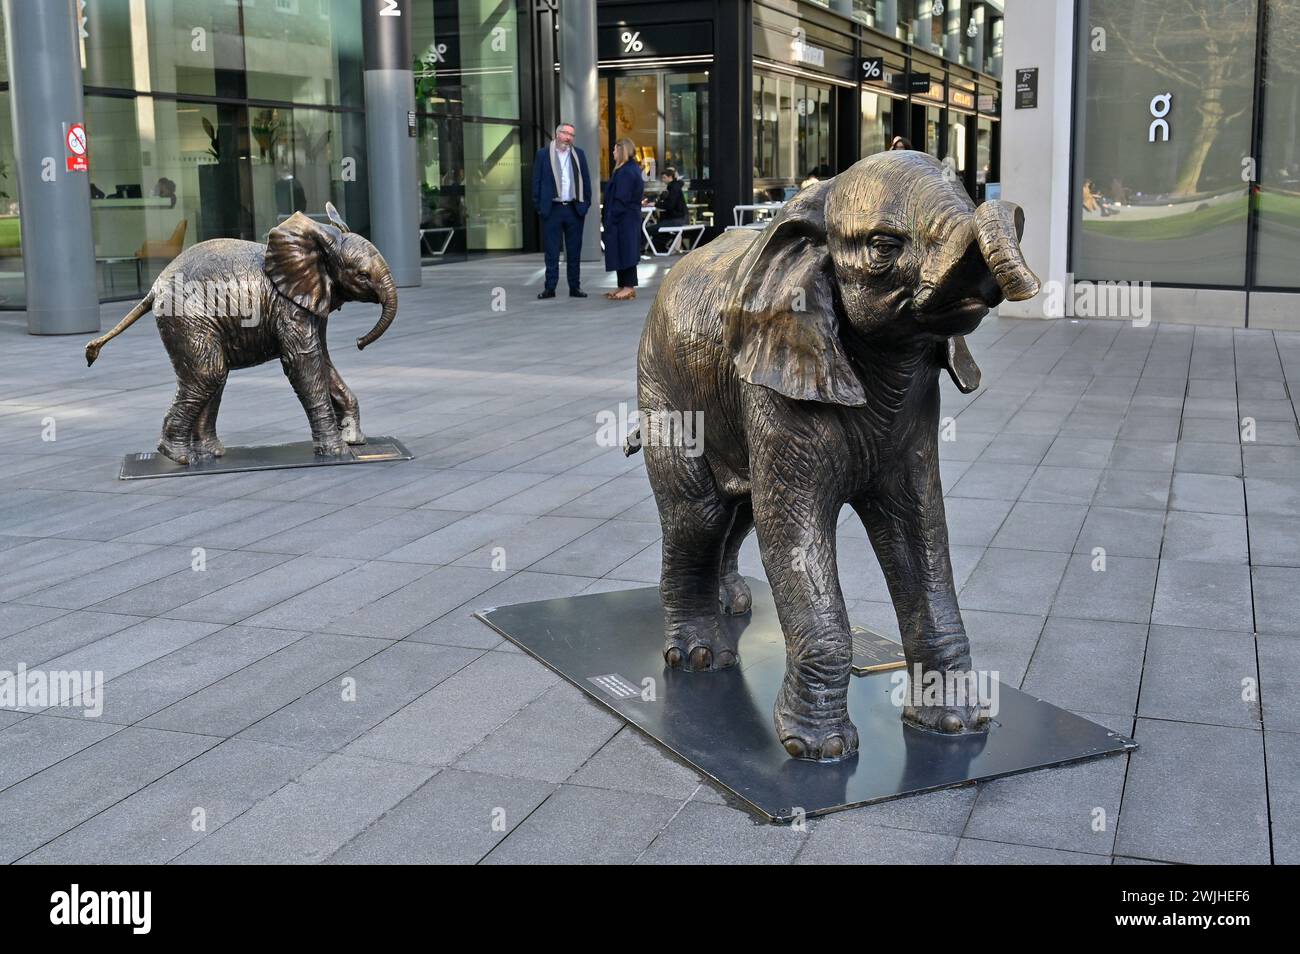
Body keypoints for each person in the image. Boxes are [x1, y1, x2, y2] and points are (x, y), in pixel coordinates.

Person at [531, 121, 592, 299]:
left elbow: (586, 181)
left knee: (574, 251)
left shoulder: (578, 154)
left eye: (572, 135)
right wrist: (539, 207)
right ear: (557, 134)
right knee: (551, 251)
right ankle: (550, 287)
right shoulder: (543, 155)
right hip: (552, 209)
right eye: (566, 133)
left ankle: (575, 287)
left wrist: (585, 203)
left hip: (574, 208)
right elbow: (536, 182)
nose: (569, 138)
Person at [603, 137, 644, 301]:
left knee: (626, 251)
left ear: (621, 151)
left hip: (624, 219)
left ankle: (628, 286)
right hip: (623, 218)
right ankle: (622, 285)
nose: (612, 152)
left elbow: (622, 198)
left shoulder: (627, 171)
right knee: (620, 250)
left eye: (614, 149)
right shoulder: (626, 169)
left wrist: (612, 217)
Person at [647, 166, 687, 252]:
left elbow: (669, 205)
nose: (663, 180)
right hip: (680, 219)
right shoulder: (675, 187)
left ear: (670, 177)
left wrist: (656, 204)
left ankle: (643, 249)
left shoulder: (673, 188)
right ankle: (659, 248)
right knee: (658, 228)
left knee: (649, 229)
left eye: (664, 177)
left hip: (677, 220)